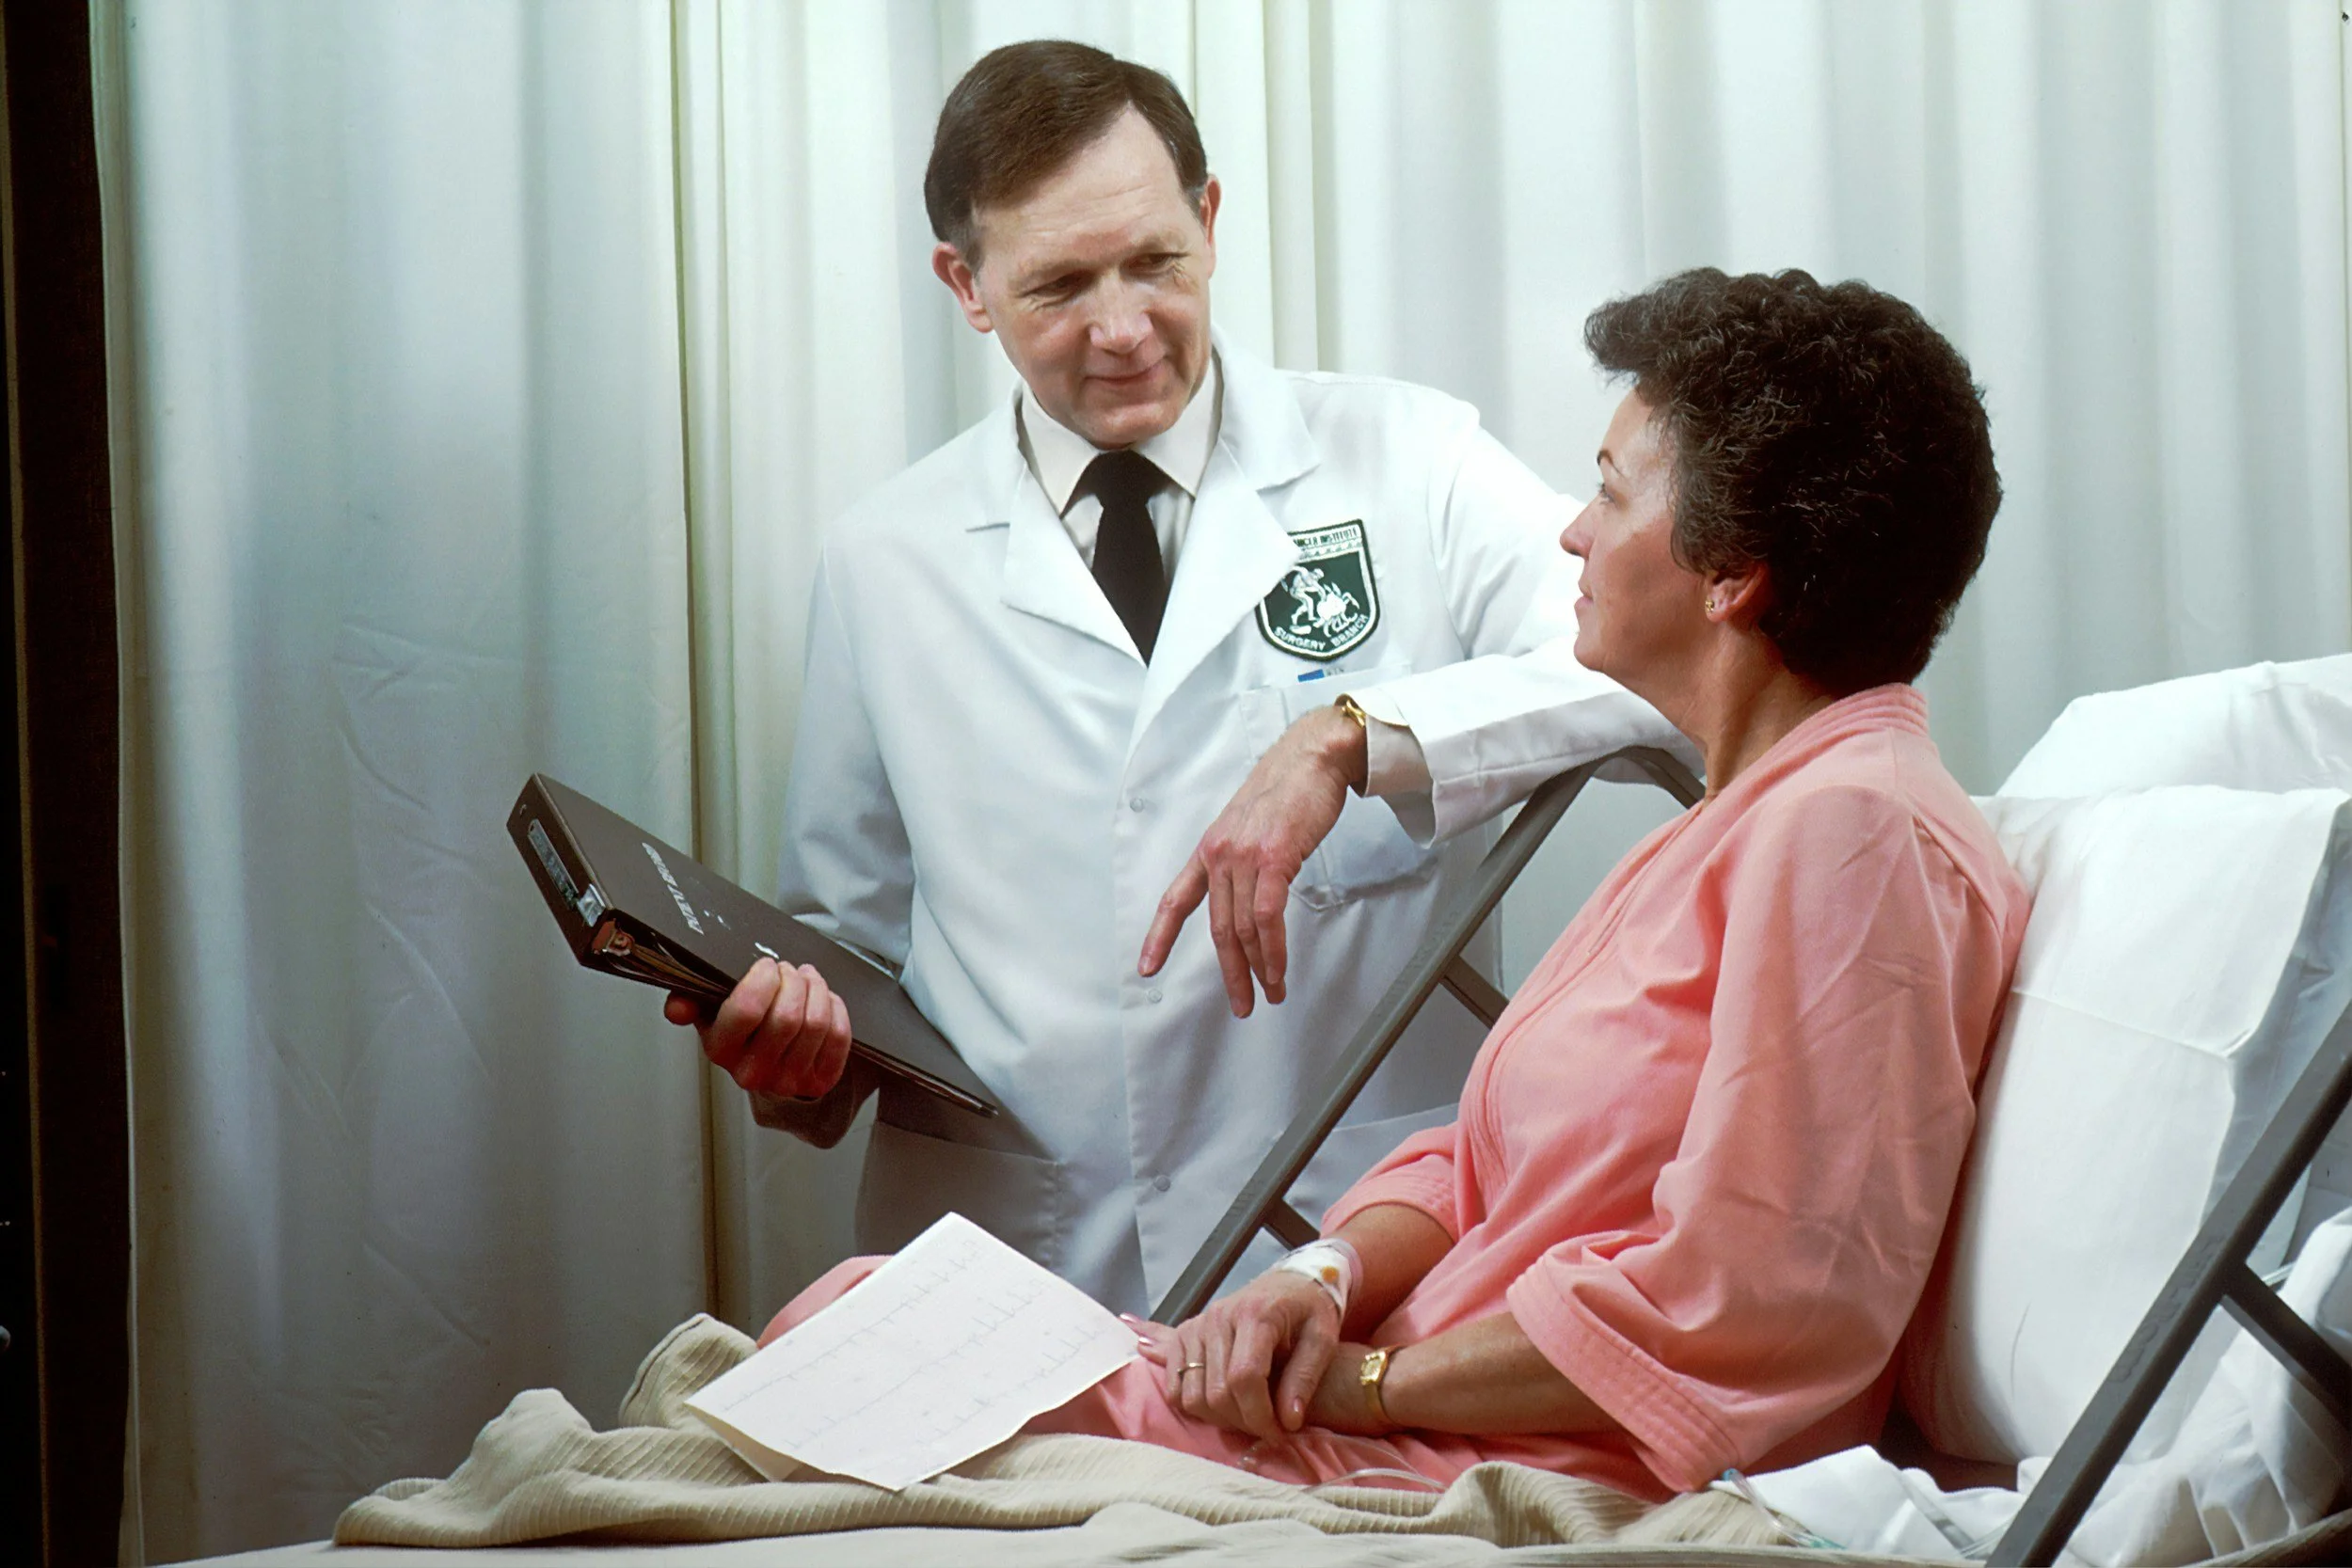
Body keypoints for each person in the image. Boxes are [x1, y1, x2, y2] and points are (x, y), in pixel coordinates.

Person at [758, 267, 2033, 1499]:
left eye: (1609, 491)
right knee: (866, 1319)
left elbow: (1747, 1305)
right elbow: (1478, 1163)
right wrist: (1314, 1278)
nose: (1572, 530)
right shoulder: (1734, 822)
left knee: (852, 1358)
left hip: (1495, 1455)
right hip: (1389, 1401)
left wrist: (1365, 1384)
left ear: (1730, 575)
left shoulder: (1854, 834)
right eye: (1057, 282)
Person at [668, 40, 1683, 1314]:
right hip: (1019, 1271)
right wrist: (792, 1054)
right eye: (1057, 287)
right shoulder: (886, 560)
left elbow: (1662, 658)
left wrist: (1350, 733)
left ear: (1209, 219)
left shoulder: (1409, 459)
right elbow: (846, 946)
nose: (1123, 328)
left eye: (1156, 262)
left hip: (1350, 1255)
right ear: (965, 286)